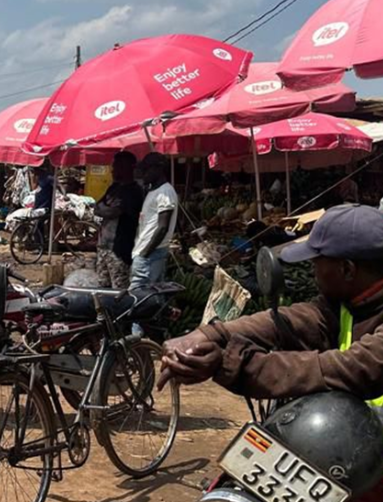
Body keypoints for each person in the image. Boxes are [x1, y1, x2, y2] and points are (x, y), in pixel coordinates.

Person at [157, 204, 383, 403]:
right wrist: (210, 334)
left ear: (347, 269)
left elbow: (347, 368)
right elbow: (294, 320)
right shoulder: (348, 300)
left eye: (317, 263)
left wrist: (227, 363)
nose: (314, 271)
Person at [94, 152, 145, 289]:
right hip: (103, 246)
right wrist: (103, 208)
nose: (112, 169)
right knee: (102, 287)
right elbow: (97, 206)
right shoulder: (114, 188)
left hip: (119, 250)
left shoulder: (133, 192)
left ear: (127, 167)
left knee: (119, 290)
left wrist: (104, 208)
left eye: (116, 166)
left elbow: (111, 212)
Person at [130, 152, 178, 289]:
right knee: (148, 295)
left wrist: (145, 253)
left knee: (139, 296)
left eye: (146, 170)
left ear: (158, 169)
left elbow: (163, 227)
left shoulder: (165, 192)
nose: (142, 173)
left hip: (151, 254)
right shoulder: (153, 191)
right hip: (145, 252)